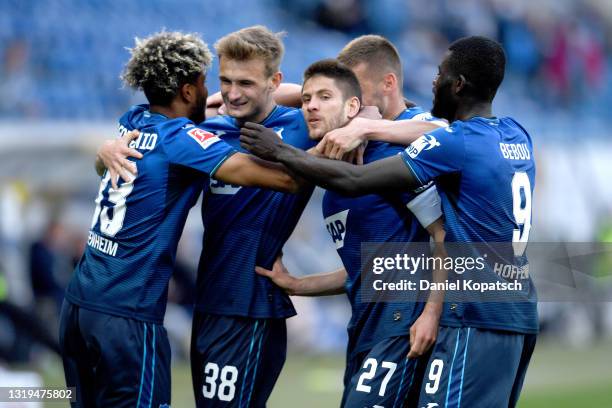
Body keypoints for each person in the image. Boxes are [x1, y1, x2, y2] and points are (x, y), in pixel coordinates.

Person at [240, 36, 537, 407]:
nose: (432, 81)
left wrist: (282, 150)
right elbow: (388, 264)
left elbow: (371, 180)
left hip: (463, 315)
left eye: (440, 74)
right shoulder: (515, 133)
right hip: (514, 309)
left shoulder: (433, 144)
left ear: (458, 85)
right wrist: (301, 284)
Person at [59, 31, 303, 408]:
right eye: (210, 83)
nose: (216, 94)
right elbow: (284, 179)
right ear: (188, 91)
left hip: (78, 306)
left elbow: (106, 160)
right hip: (128, 315)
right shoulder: (182, 139)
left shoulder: (132, 120)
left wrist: (100, 151)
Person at [256, 58, 446, 407]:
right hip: (363, 327)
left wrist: (431, 314)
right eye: (306, 99)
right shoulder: (330, 192)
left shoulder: (389, 158)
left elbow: (443, 235)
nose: (311, 105)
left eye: (324, 96)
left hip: (402, 324)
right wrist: (300, 285)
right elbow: (370, 267)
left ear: (354, 107)